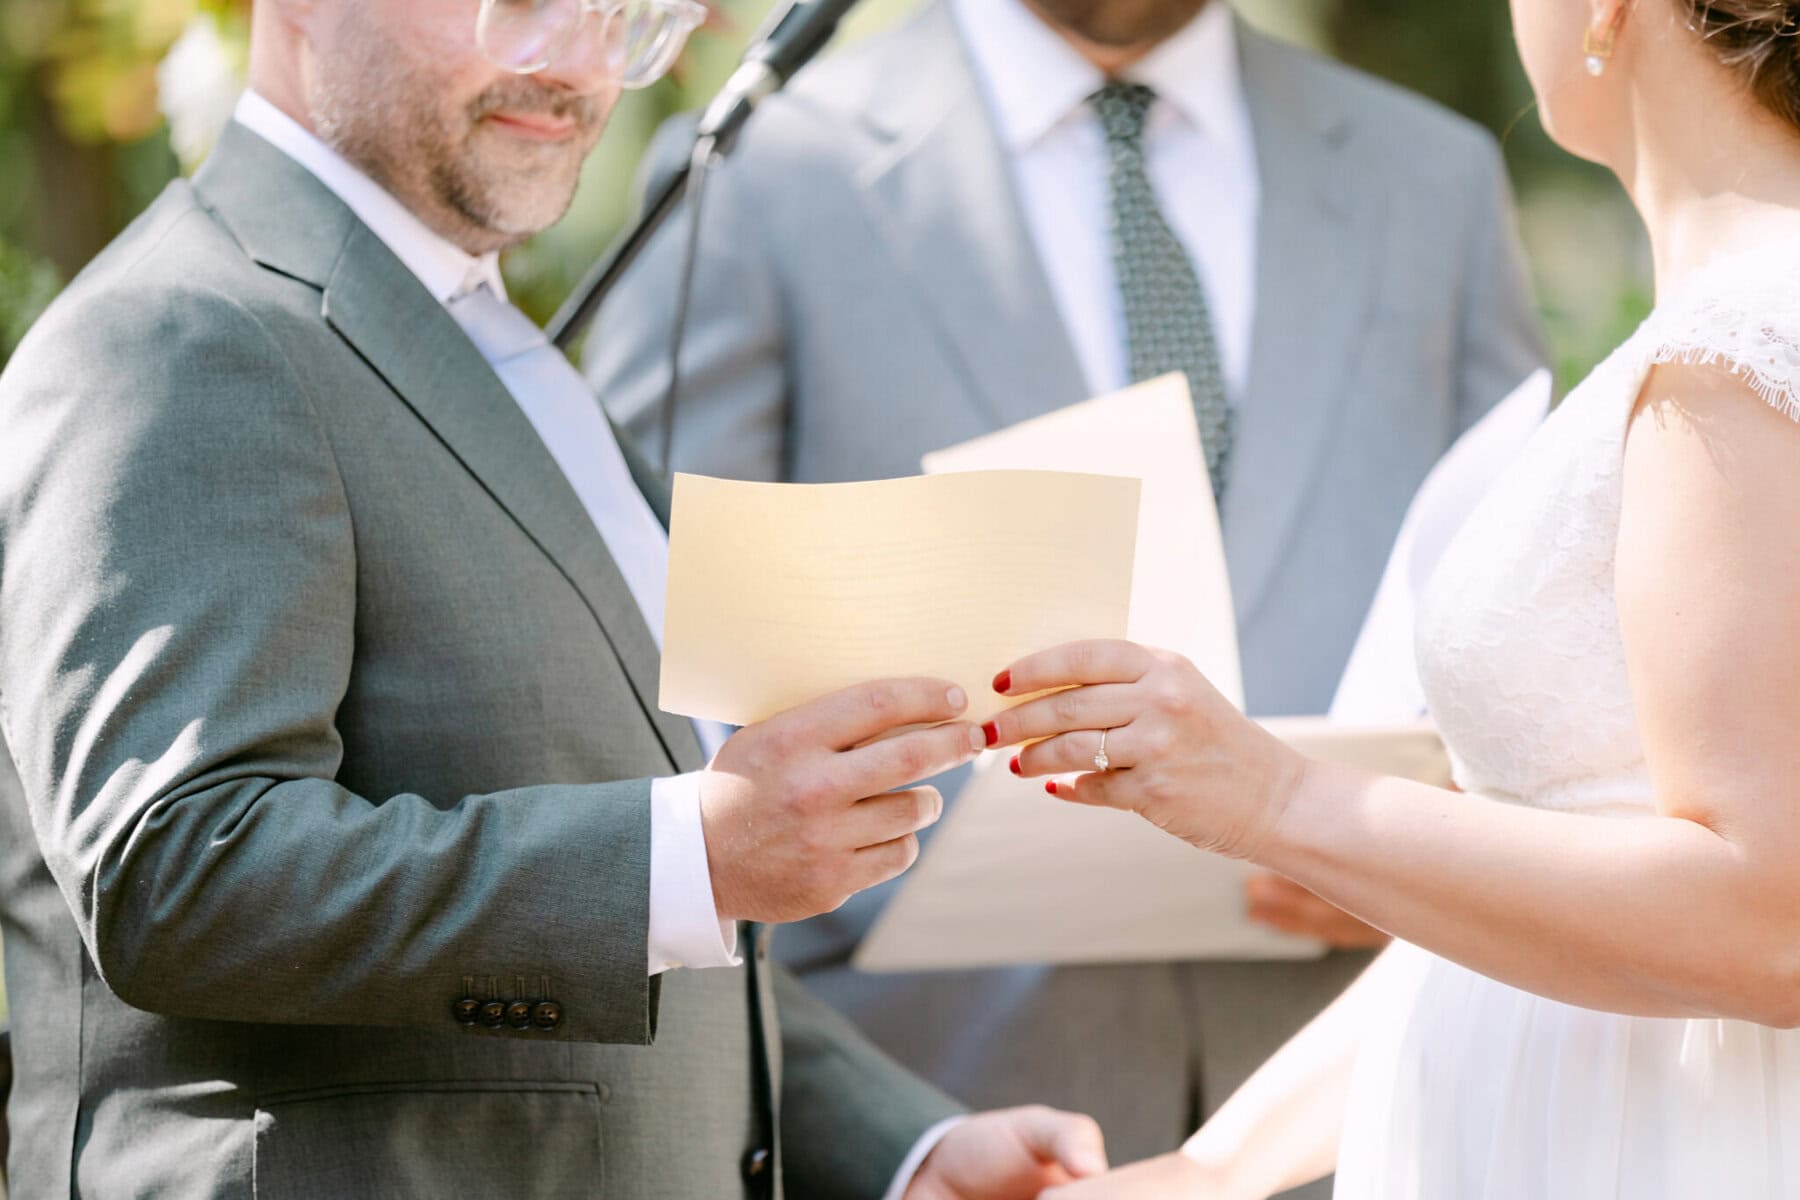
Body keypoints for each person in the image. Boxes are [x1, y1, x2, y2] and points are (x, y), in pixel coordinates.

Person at [0, 0, 1111, 1194]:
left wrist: (906, 1149)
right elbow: (183, 871)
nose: (579, 69)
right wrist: (694, 854)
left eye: (625, 17)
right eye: (522, 2)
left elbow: (639, 935)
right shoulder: (175, 334)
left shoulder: (500, 355)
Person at [588, 0, 1546, 1178]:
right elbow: (631, 647)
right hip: (938, 1106)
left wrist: (1424, 844)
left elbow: (1523, 617)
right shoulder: (758, 171)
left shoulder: (1432, 176)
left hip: (1366, 1106)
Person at [977, 0, 1800, 1195]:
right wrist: (1220, 1166)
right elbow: (1552, 882)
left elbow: (1764, 916)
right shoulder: (1719, 338)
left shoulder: (1731, 357)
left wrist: (1277, 797)